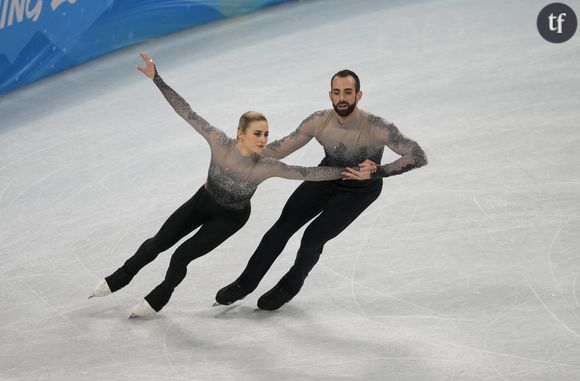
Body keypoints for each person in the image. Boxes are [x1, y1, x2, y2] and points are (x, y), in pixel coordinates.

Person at [89, 53, 371, 318]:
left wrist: (354, 171)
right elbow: (186, 112)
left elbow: (308, 173)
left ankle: (161, 295)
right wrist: (157, 79)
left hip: (230, 218)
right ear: (240, 133)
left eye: (266, 134)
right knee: (156, 243)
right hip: (202, 202)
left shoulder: (266, 165)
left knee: (180, 256)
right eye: (257, 134)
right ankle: (119, 278)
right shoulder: (218, 142)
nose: (263, 140)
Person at [215, 69, 428, 310]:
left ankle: (291, 283)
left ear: (359, 95)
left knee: (312, 237)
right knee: (282, 227)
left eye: (348, 92)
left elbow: (419, 155)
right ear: (330, 95)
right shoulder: (318, 121)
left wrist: (379, 171)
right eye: (337, 92)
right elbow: (276, 150)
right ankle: (246, 283)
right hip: (325, 178)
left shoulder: (378, 127)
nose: (342, 98)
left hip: (360, 191)